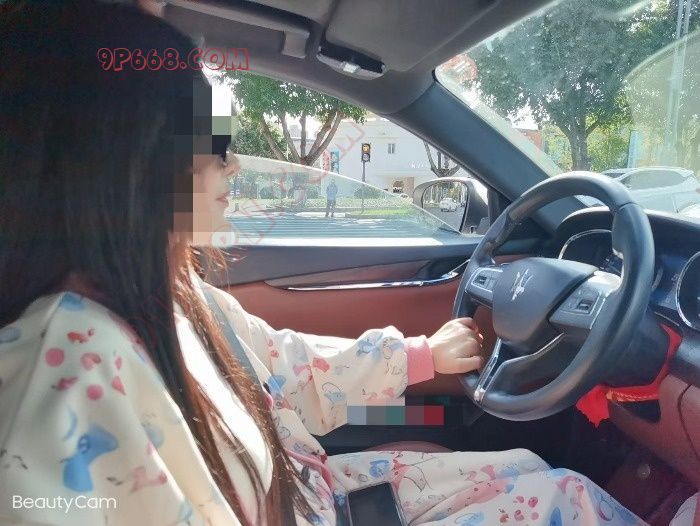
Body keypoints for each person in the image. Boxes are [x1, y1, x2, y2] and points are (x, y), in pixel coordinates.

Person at [0, 2, 651, 525]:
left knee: (529, 469)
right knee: (566, 499)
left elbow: (288, 367)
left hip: (314, 494)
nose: (231, 166)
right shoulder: (63, 378)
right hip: (309, 501)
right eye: (210, 147)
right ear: (130, 162)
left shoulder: (174, 296)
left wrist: (421, 356)